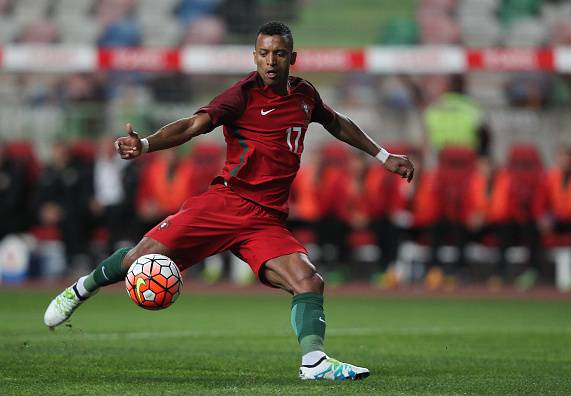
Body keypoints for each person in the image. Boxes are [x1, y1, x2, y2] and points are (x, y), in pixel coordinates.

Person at [43, 21, 414, 381]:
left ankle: (314, 363)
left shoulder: (305, 95)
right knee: (138, 258)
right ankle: (80, 289)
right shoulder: (241, 95)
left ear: (292, 57)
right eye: (264, 53)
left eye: (279, 54)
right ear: (254, 56)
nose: (271, 61)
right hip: (225, 203)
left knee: (309, 280)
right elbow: (192, 126)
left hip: (266, 219)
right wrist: (144, 145)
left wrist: (384, 156)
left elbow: (337, 122)